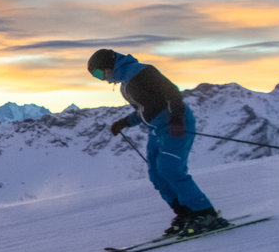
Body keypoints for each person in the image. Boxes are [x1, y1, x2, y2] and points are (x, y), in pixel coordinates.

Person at [87, 48, 228, 236]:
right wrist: (125, 122)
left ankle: (205, 213)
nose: (101, 78)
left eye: (99, 73)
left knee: (171, 169)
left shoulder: (142, 72)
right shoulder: (124, 84)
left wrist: (177, 119)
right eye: (96, 76)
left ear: (109, 64)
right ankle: (186, 213)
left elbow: (172, 93)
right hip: (157, 130)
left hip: (175, 126)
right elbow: (147, 109)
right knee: (156, 174)